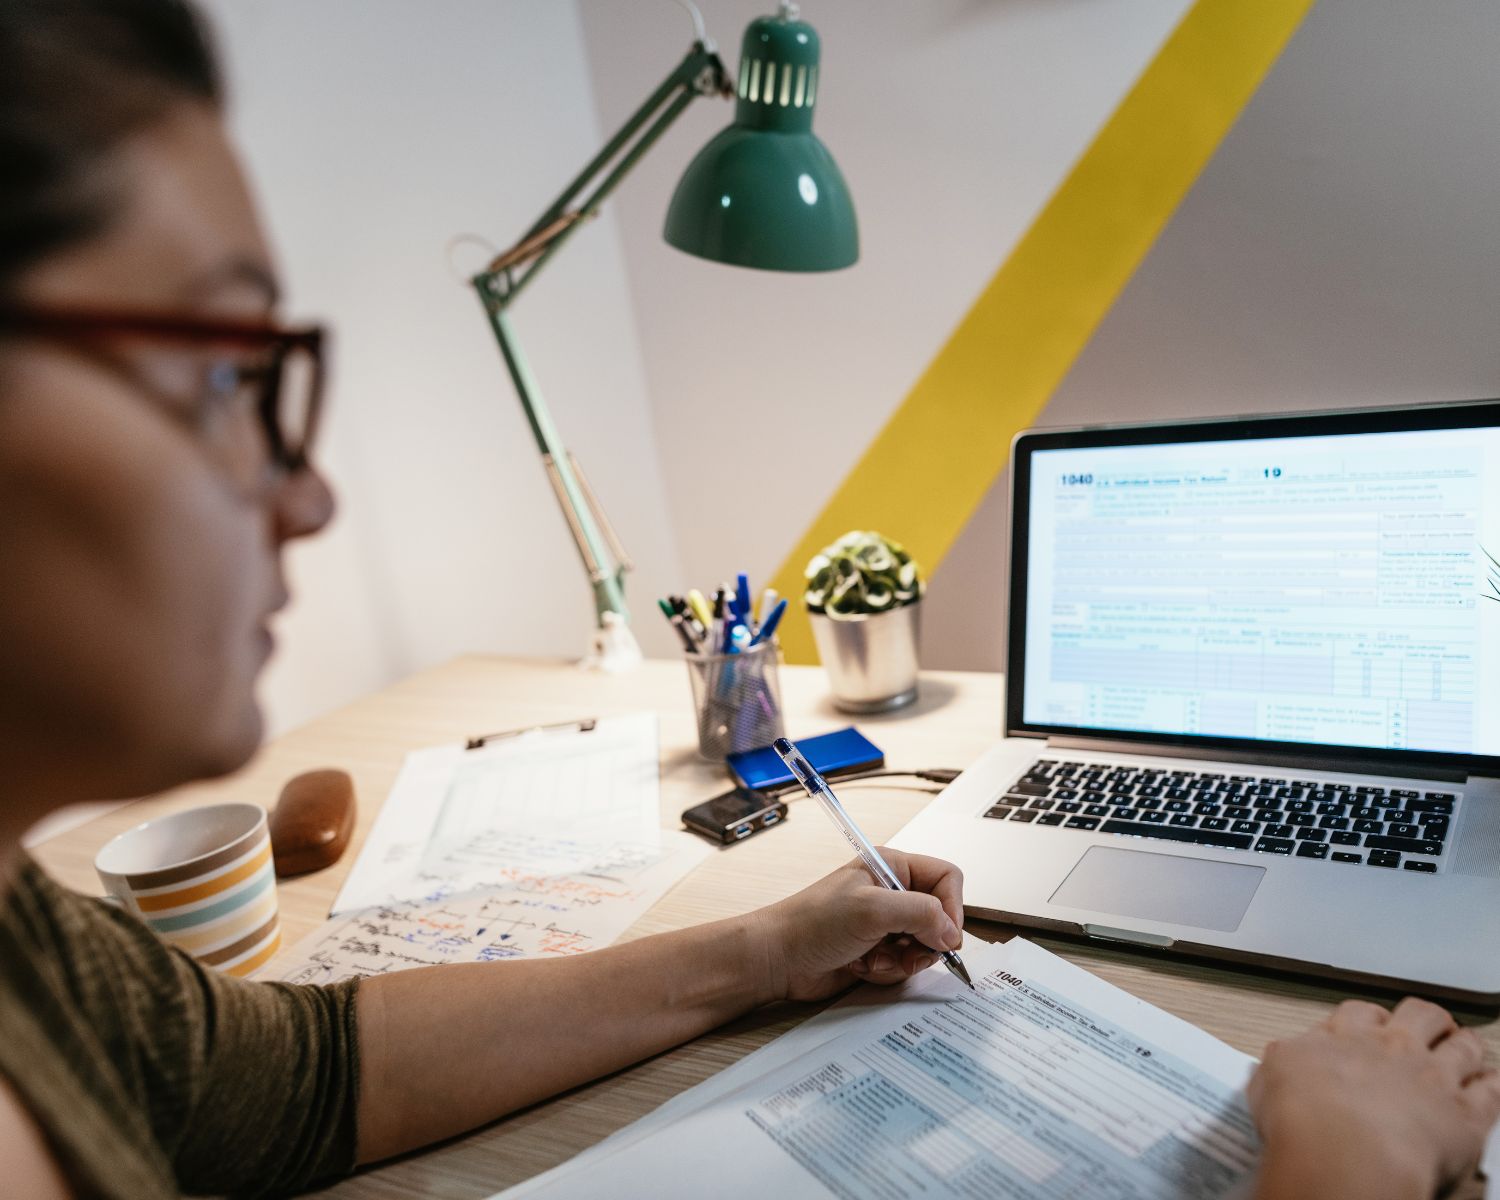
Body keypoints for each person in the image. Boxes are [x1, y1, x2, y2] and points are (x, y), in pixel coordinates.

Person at [0, 3, 1494, 1198]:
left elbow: (300, 1082)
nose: (311, 493)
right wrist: (1338, 1171)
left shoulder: (29, 947)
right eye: (218, 372)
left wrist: (758, 951)